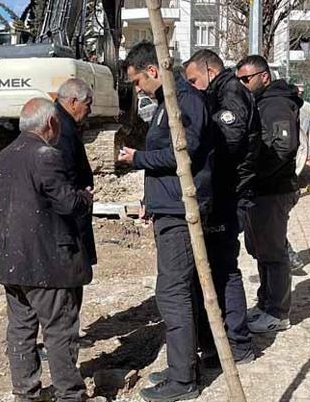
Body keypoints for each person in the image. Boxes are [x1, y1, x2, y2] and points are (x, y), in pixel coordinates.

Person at [117, 41, 212, 402]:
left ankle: (184, 380)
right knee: (180, 291)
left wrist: (137, 157)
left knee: (172, 293)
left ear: (153, 71)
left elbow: (182, 152)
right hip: (168, 206)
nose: (137, 89)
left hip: (181, 212)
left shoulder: (183, 102)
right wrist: (150, 200)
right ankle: (184, 366)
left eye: (138, 81)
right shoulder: (164, 105)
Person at [0, 98, 97, 402]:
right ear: (50, 124)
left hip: (11, 261)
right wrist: (84, 197)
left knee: (21, 330)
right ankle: (70, 394)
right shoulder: (45, 156)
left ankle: (26, 393)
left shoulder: (2, 158)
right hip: (46, 262)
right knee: (59, 330)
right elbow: (67, 203)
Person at [183, 48, 260, 364]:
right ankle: (224, 342)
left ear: (209, 71)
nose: (192, 86)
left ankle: (238, 345)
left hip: (228, 196)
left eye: (194, 80)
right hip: (224, 193)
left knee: (224, 269)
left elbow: (229, 139)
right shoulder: (221, 92)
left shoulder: (229, 93)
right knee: (217, 269)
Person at [235, 55, 302, 334]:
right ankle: (266, 304)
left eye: (246, 79)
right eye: (239, 79)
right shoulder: (262, 102)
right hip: (262, 190)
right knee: (261, 250)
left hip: (272, 191)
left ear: (264, 76)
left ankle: (278, 312)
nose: (242, 84)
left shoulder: (275, 103)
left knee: (273, 253)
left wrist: (257, 174)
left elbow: (284, 147)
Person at [55, 78, 97, 266]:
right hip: (69, 213)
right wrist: (79, 198)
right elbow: (65, 171)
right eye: (87, 105)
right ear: (73, 102)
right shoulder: (61, 128)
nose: (89, 111)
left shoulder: (63, 123)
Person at [286, 85, 310, 271]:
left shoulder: (285, 120)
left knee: (272, 227)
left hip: (284, 184)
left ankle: (289, 258)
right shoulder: (299, 113)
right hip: (290, 182)